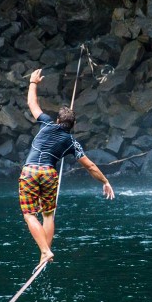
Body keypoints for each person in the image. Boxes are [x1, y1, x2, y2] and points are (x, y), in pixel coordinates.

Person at [19, 68, 115, 268]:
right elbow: (90, 166)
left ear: (57, 121)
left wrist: (33, 83)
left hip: (29, 171)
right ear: (74, 124)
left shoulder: (46, 123)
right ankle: (45, 252)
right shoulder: (72, 142)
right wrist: (105, 181)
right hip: (48, 173)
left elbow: (32, 103)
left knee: (29, 214)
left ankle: (45, 251)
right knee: (47, 214)